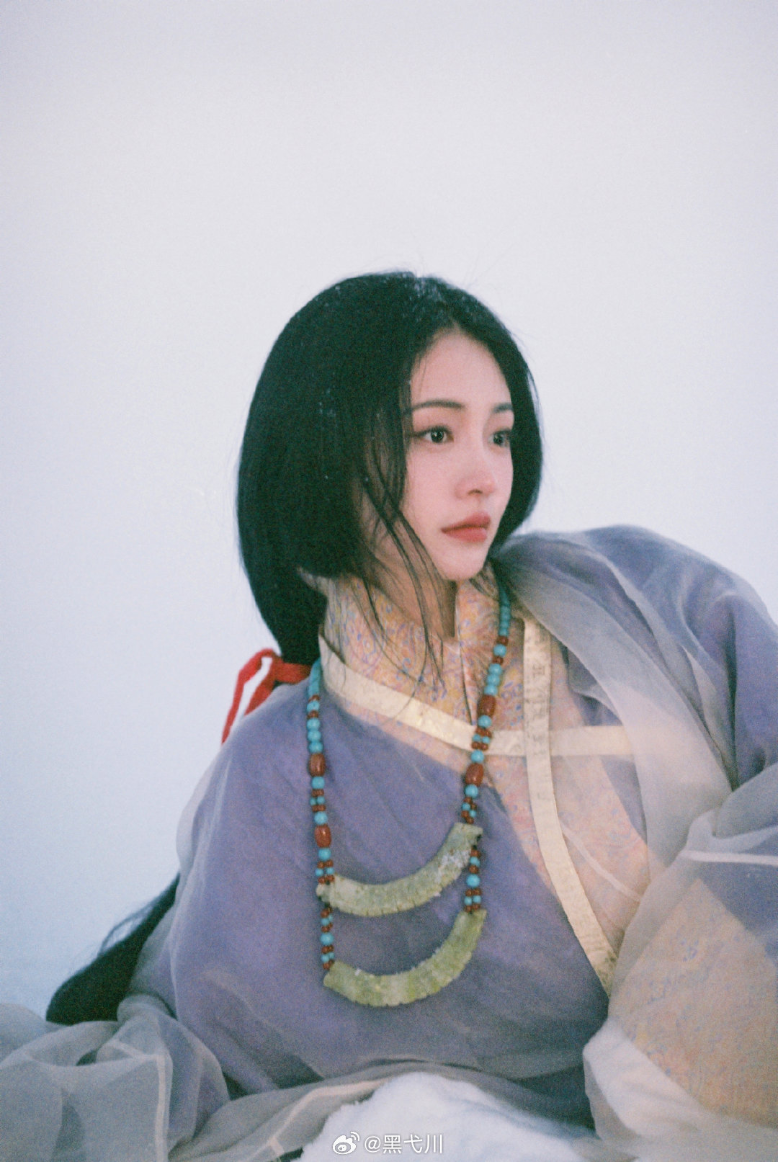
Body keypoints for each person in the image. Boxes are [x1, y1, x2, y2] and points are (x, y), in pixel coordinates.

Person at [1, 272, 777, 1161]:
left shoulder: (643, 590)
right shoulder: (276, 772)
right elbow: (221, 1054)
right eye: (436, 434)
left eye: (499, 434)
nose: (485, 475)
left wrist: (683, 1045)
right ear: (326, 454)